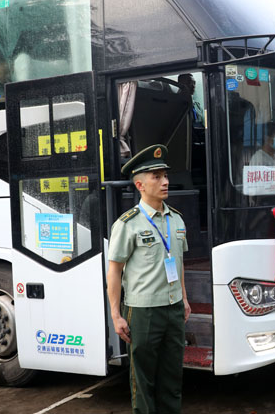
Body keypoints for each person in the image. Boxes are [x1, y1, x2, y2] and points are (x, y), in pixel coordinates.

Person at [106, 144, 190, 414]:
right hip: (142, 312)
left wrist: (185, 300)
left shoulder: (177, 220)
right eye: (157, 176)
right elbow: (115, 270)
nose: (165, 181)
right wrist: (116, 315)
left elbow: (179, 263)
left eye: (165, 175)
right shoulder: (127, 224)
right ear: (140, 184)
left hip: (174, 308)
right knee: (142, 380)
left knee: (172, 378)